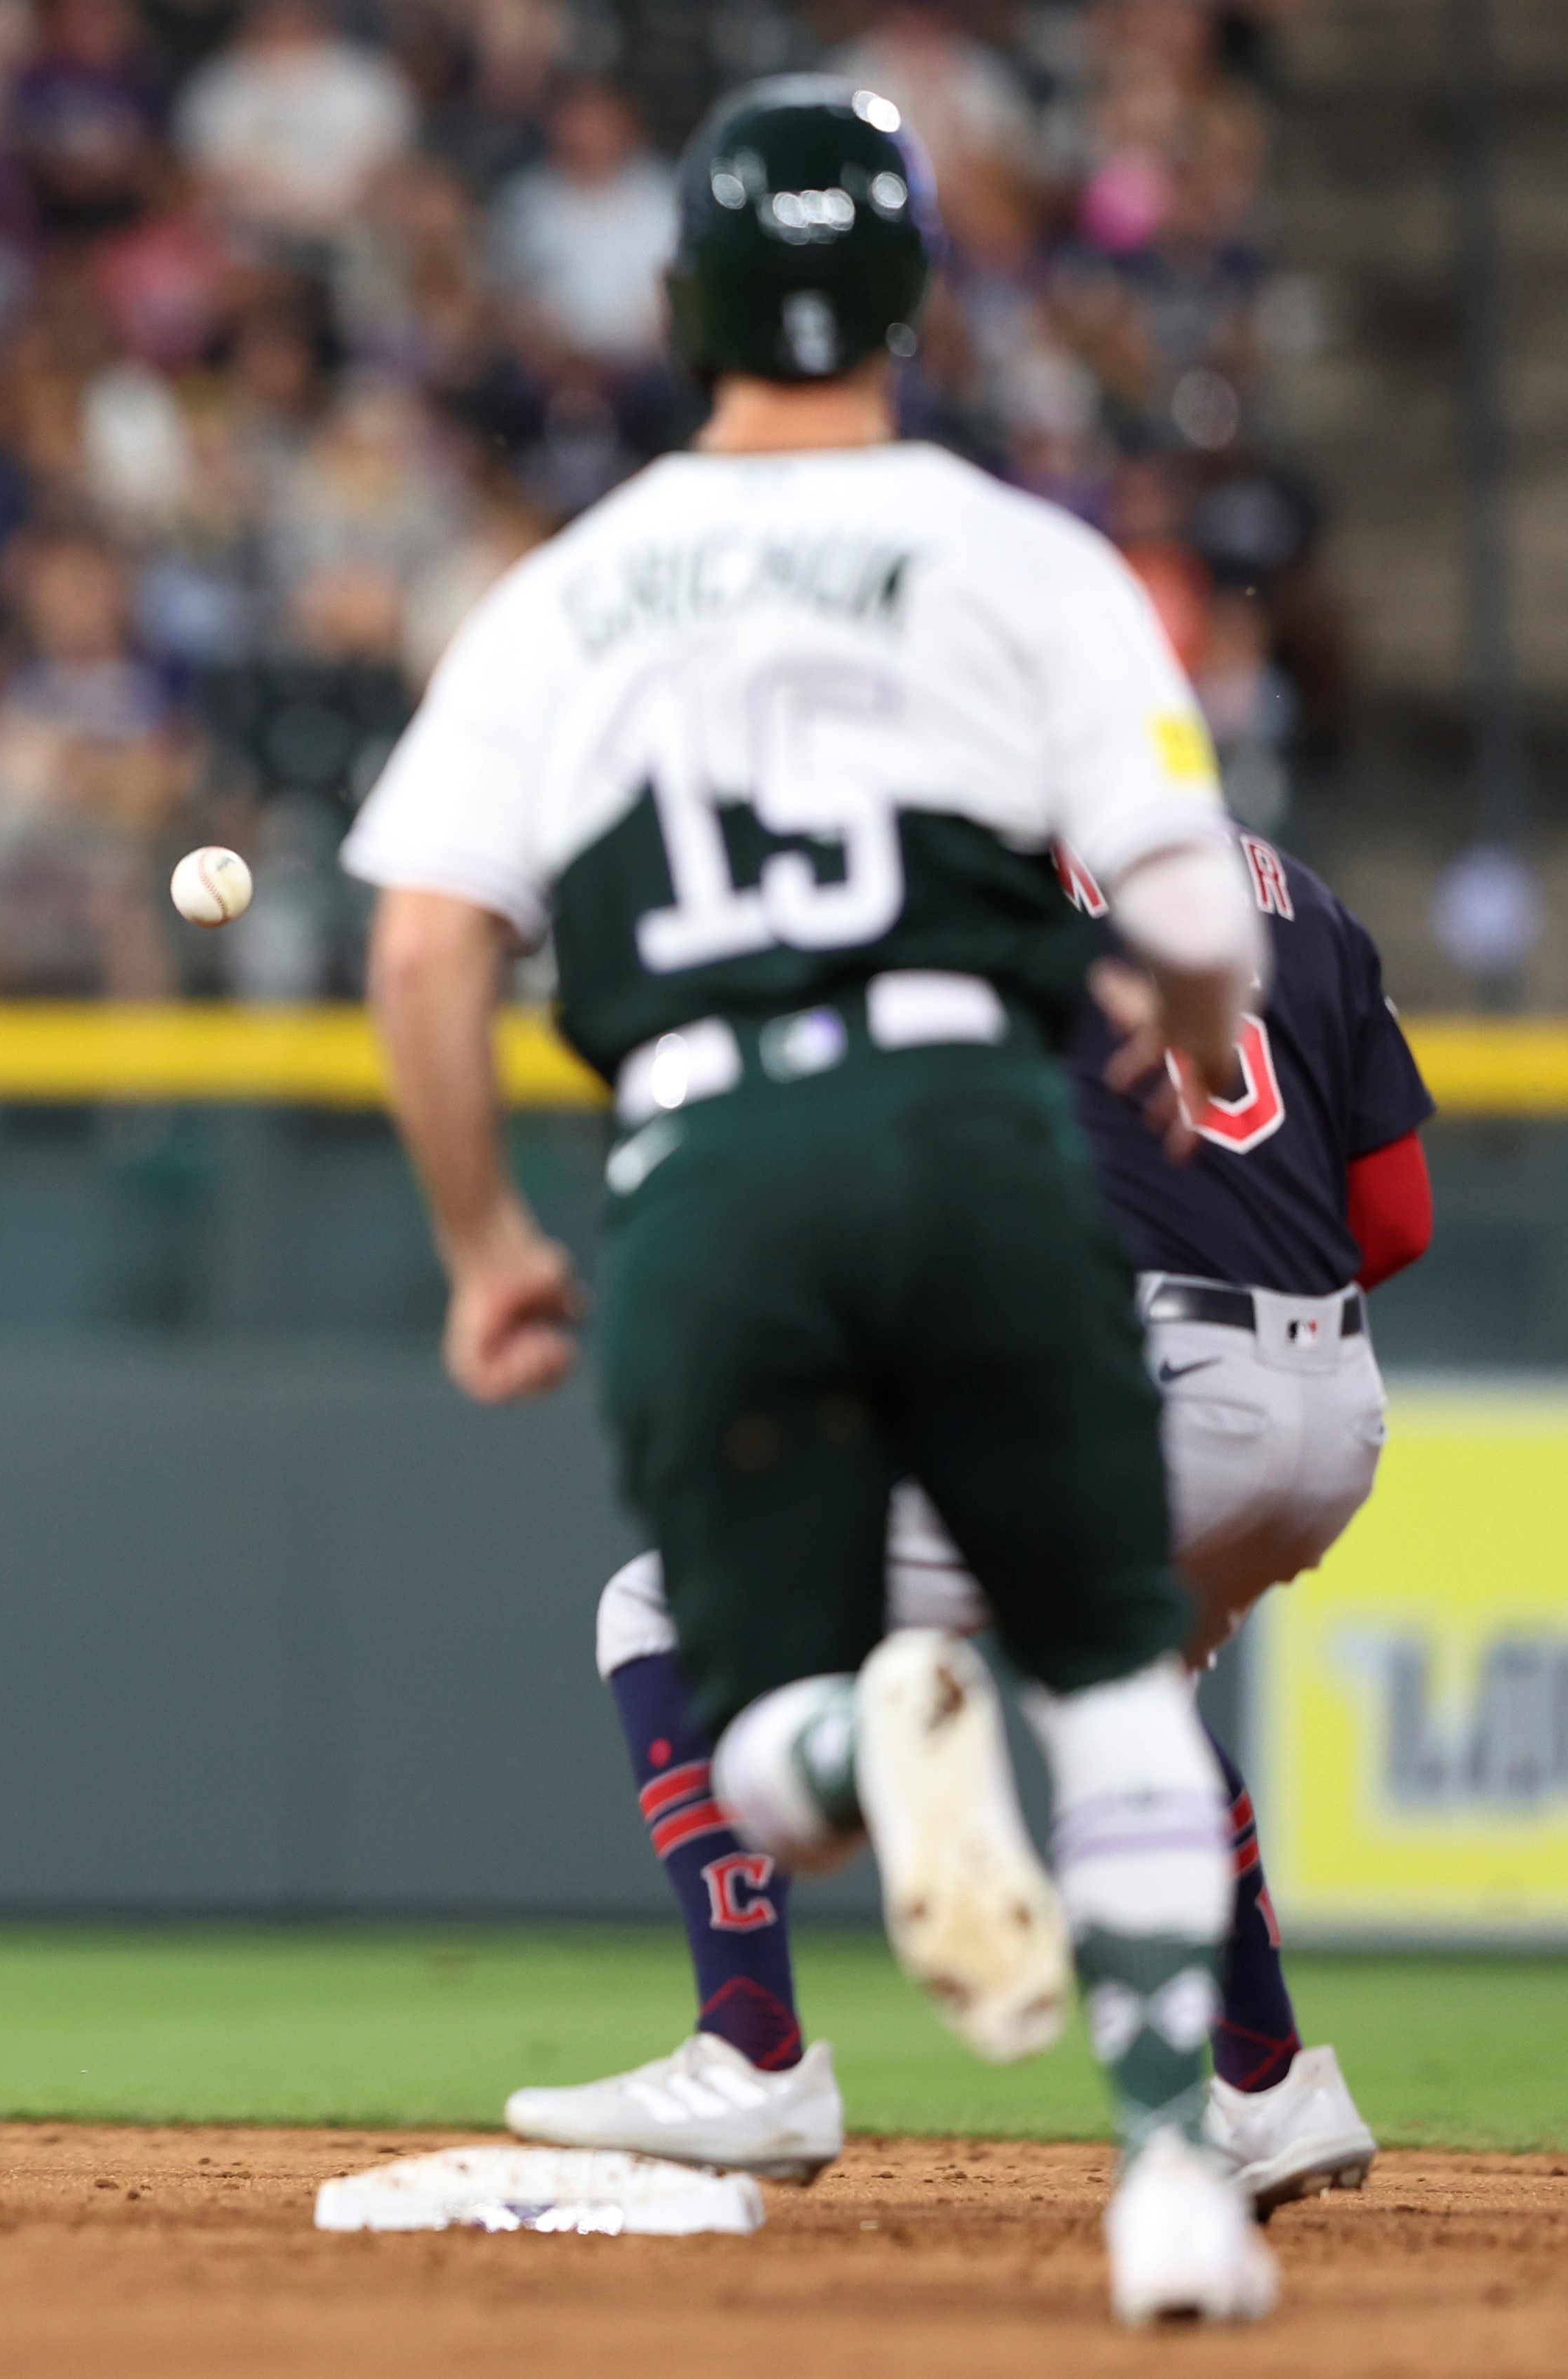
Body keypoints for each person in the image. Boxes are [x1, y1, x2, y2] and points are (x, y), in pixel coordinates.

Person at [346, 82, 1282, 2325]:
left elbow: (420, 952)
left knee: (750, 1728)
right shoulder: (1024, 554)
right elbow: (1193, 913)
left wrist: (489, 1247)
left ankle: (871, 1737)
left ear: (678, 309)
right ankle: (1172, 2181)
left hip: (705, 1163)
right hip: (973, 1127)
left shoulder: (566, 592)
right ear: (912, 297)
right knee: (1109, 1665)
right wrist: (1182, 1001)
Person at [508, 829, 1431, 2221]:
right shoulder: (1302, 891)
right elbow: (1396, 1215)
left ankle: (750, 2049)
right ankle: (1267, 2088)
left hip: (1138, 1377)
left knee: (655, 1609)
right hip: (1329, 1408)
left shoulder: (961, 876)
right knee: (1128, 1696)